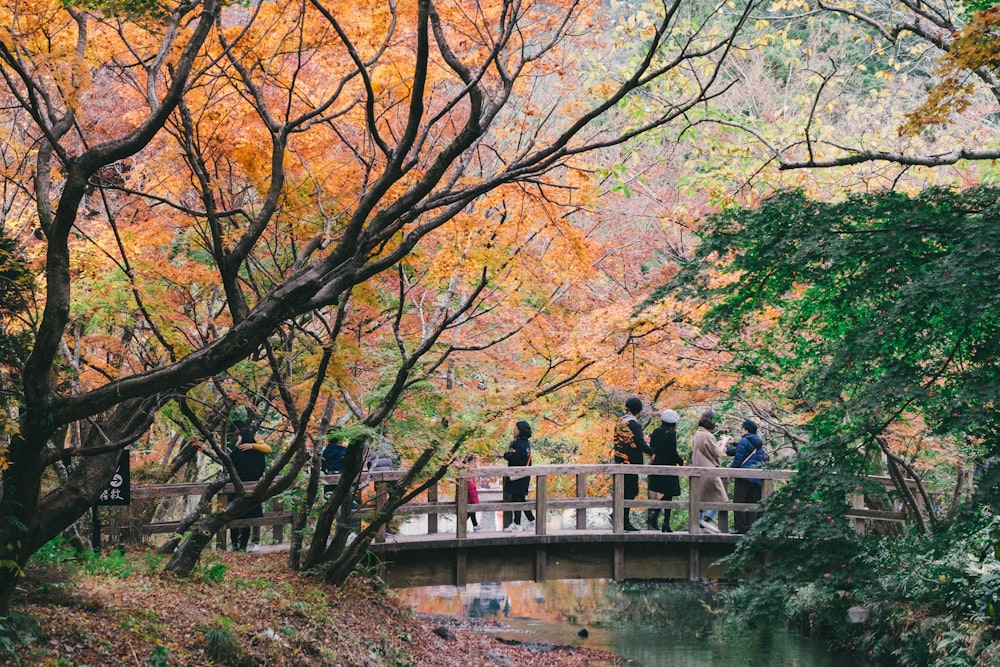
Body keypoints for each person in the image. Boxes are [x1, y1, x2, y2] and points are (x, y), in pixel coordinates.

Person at [227, 419, 272, 552]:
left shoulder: (238, 451)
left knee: (233, 514)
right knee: (248, 515)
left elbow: (230, 465)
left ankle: (235, 544)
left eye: (236, 435)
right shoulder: (259, 453)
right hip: (253, 487)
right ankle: (243, 546)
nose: (236, 438)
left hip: (236, 488)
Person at [613, 397, 652, 532]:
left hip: (620, 461)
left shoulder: (620, 423)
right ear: (639, 411)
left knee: (624, 491)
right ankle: (623, 521)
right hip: (631, 463)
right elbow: (640, 444)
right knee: (631, 490)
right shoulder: (634, 425)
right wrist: (652, 452)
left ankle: (620, 519)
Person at [729, 419, 769, 533]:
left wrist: (730, 472)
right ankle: (752, 528)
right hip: (756, 477)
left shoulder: (744, 441)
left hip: (744, 476)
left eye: (742, 428)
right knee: (753, 502)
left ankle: (740, 528)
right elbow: (747, 450)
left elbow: (738, 459)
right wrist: (733, 444)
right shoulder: (758, 442)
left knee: (739, 501)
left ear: (746, 429)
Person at [690, 410, 727, 533]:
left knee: (700, 496)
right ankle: (706, 519)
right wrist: (724, 444)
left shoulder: (698, 434)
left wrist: (719, 444)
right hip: (709, 470)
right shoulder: (707, 435)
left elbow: (707, 449)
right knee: (721, 497)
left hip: (699, 469)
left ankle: (701, 521)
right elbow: (717, 453)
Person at [648, 409, 683, 532]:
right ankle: (665, 523)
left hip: (657, 466)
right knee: (669, 494)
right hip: (669, 467)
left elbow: (652, 448)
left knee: (666, 493)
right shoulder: (671, 434)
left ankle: (656, 515)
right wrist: (680, 461)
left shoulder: (656, 432)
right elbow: (672, 452)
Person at [502, 421, 535, 532]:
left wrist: (506, 455)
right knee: (520, 498)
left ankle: (517, 524)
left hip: (517, 475)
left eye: (515, 428)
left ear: (520, 430)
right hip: (524, 474)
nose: (514, 430)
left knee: (517, 498)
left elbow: (515, 457)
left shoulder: (518, 443)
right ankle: (531, 520)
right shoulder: (526, 443)